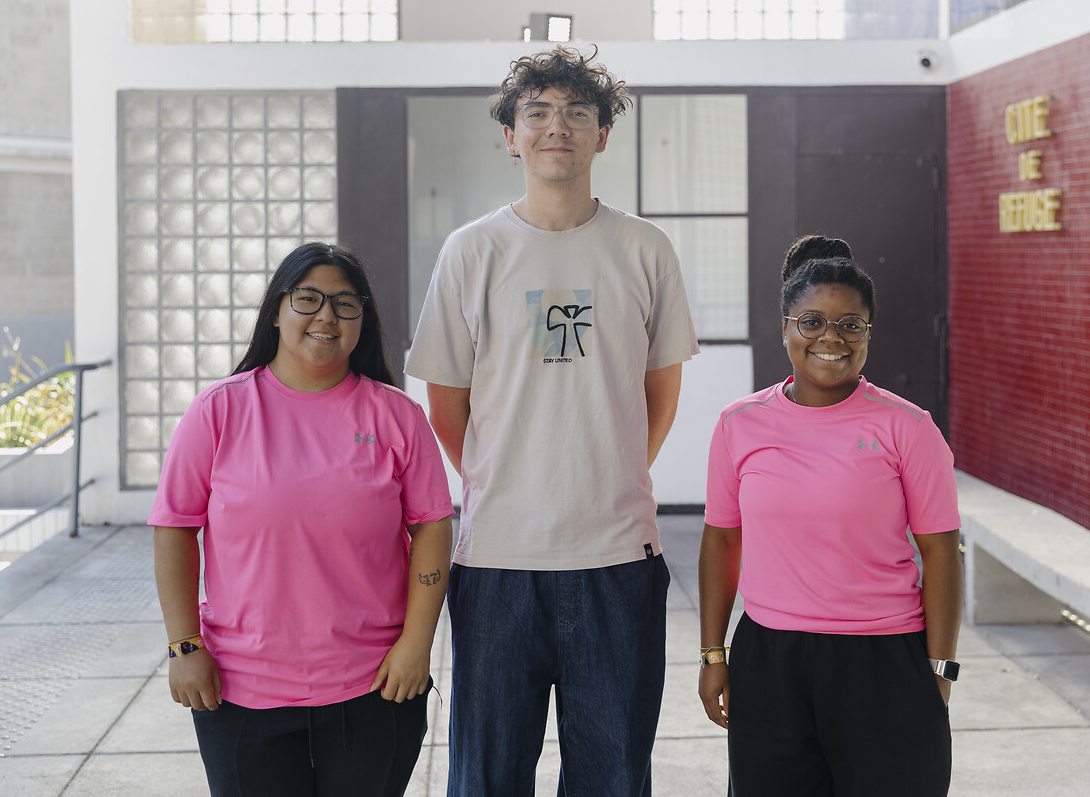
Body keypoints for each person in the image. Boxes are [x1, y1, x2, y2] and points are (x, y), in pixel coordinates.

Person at [405, 47, 699, 795]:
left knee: (613, 776)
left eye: (576, 112)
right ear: (511, 135)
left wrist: (607, 475)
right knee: (487, 777)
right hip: (498, 560)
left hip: (617, 560)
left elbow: (658, 395)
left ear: (603, 135)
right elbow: (448, 404)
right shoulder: (471, 251)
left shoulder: (644, 249)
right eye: (536, 113)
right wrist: (511, 482)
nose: (555, 127)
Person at [150, 242, 454, 797]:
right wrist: (184, 646)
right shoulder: (218, 411)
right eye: (307, 298)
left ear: (363, 318)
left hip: (374, 687)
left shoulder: (397, 416)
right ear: (277, 309)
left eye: (345, 303)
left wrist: (417, 644)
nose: (326, 316)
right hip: (242, 692)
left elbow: (433, 526)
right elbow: (174, 527)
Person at [698, 234, 963, 796]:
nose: (831, 339)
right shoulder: (738, 425)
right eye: (812, 321)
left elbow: (942, 550)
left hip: (884, 663)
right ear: (787, 325)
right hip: (770, 660)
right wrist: (713, 653)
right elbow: (721, 540)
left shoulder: (907, 428)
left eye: (851, 325)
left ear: (869, 333)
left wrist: (939, 670)